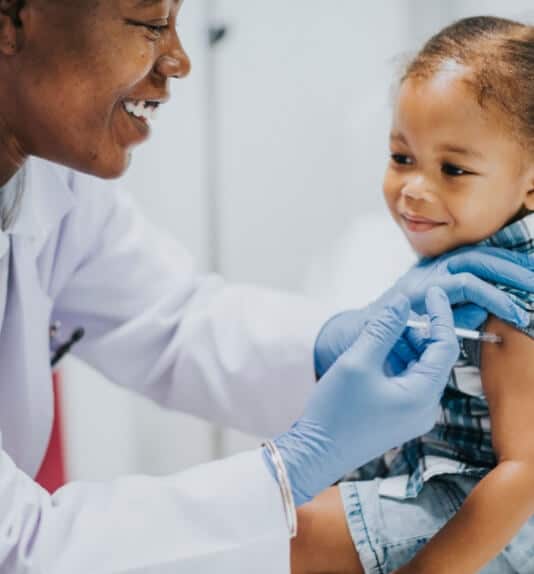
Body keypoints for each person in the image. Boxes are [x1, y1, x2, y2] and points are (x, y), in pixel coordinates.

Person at [0, 2, 532, 572]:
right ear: (11, 20)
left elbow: (172, 319)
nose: (179, 60)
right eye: (152, 24)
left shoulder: (502, 297)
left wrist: (331, 343)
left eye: (453, 168)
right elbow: (21, 546)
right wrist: (292, 467)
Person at [292, 16, 534, 574]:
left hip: (494, 519)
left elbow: (524, 470)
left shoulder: (510, 293)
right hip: (444, 482)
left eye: (454, 168)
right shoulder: (467, 249)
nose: (415, 189)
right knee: (278, 515)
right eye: (403, 157)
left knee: (288, 531)